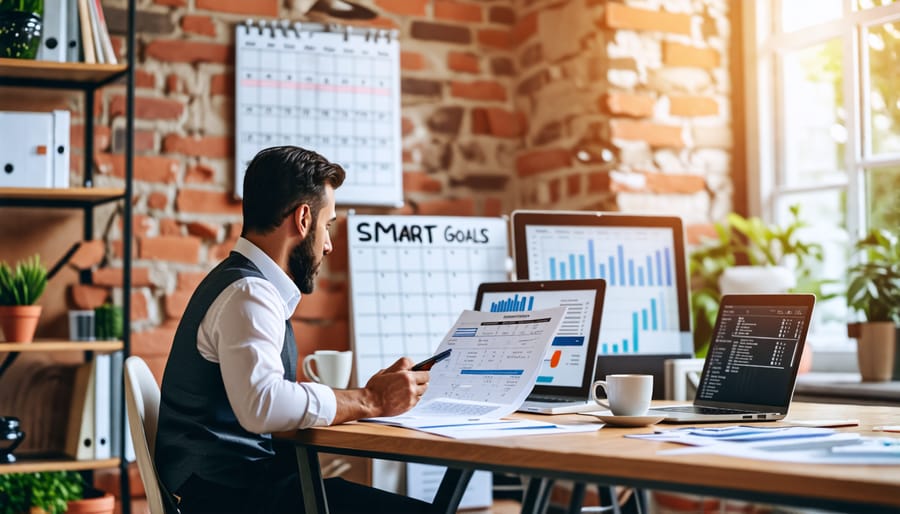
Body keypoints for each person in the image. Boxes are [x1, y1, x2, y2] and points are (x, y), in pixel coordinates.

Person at [155, 146, 431, 513]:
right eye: (327, 225)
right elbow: (262, 404)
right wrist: (371, 400)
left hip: (227, 488)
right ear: (303, 219)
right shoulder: (249, 294)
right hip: (229, 496)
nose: (329, 244)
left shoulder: (237, 284)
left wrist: (363, 399)